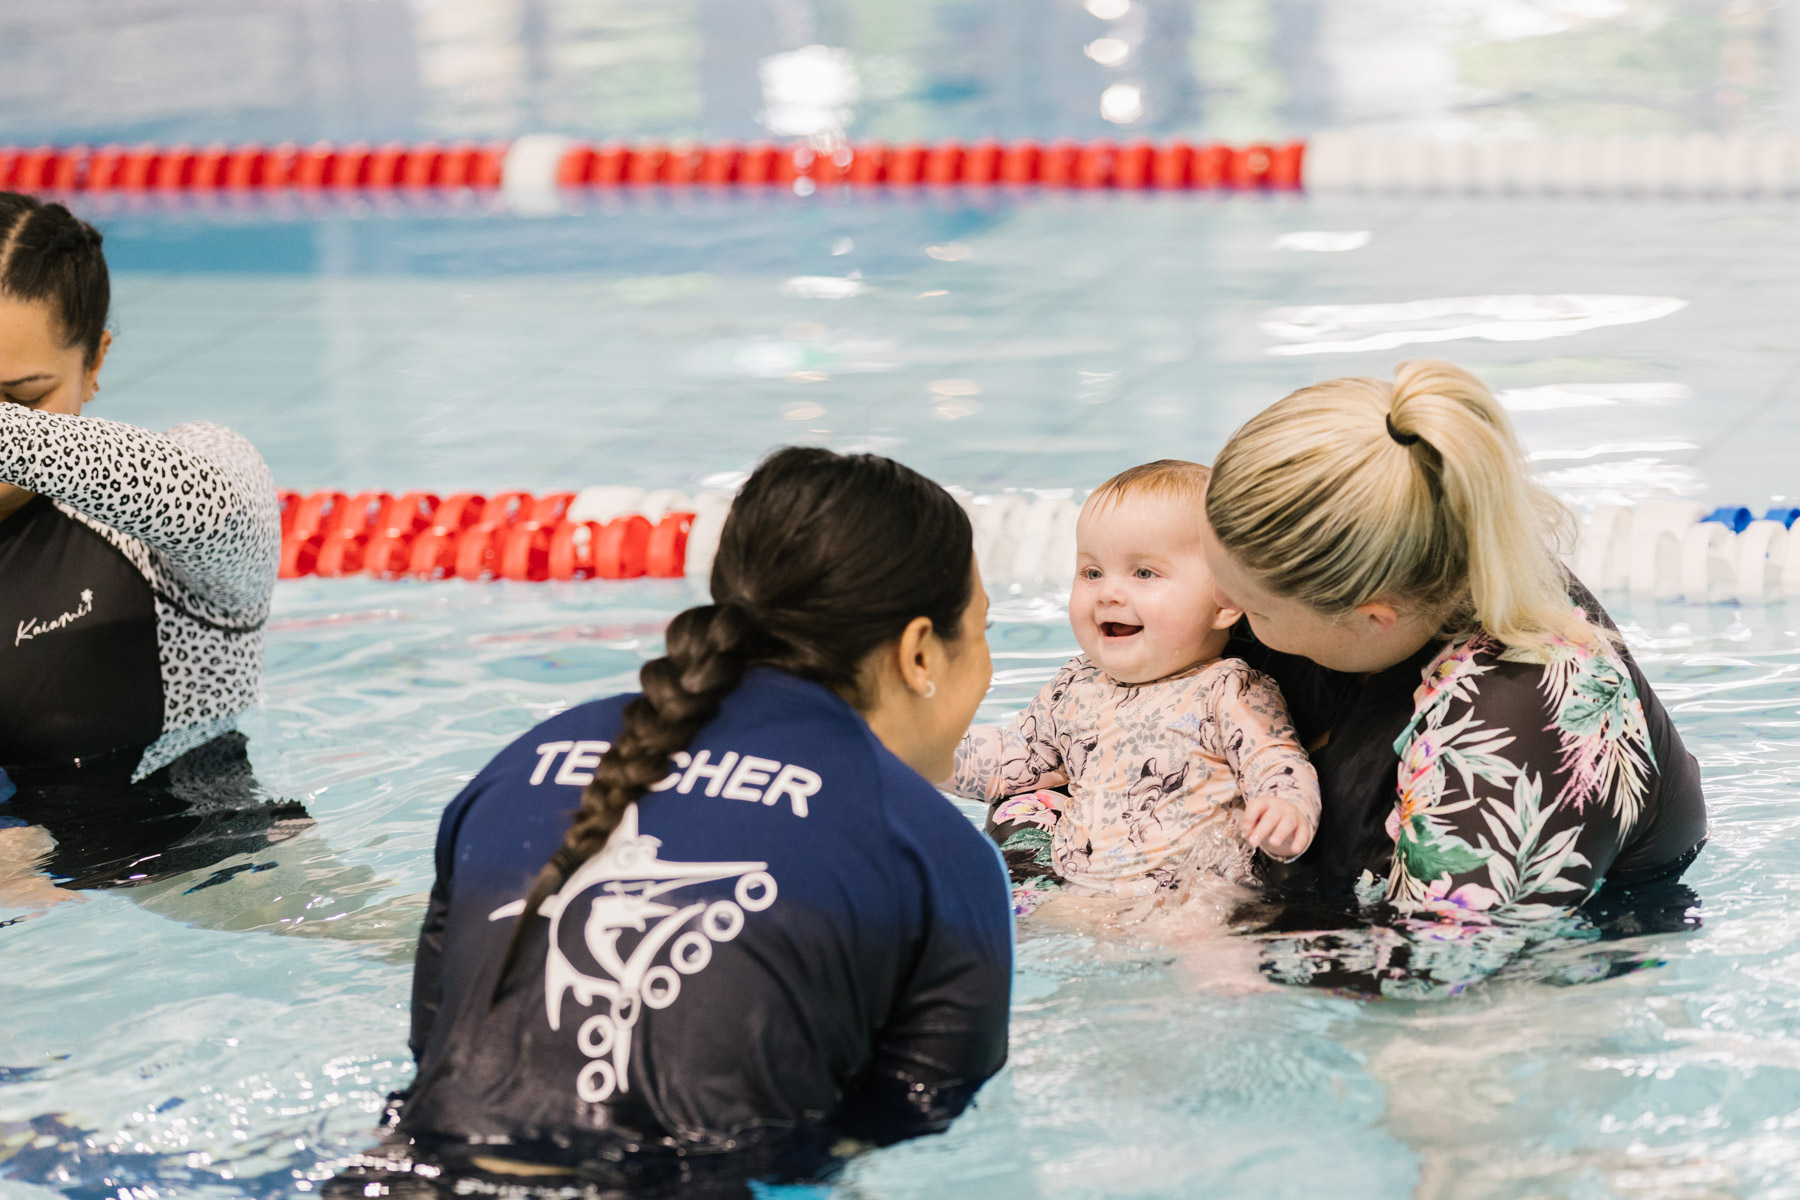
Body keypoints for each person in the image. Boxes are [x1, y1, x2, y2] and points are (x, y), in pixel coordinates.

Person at [390, 447, 1013, 1186]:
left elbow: (435, 1052)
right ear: (918, 652)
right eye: (982, 630)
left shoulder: (519, 764)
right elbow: (902, 1134)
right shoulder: (935, 849)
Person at [1200, 360, 1707, 992]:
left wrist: (1235, 952)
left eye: (1254, 607)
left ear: (1373, 617)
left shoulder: (1527, 719)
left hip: (1546, 972)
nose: (1219, 606)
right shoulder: (1409, 551)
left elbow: (1443, 966)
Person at [0, 192, 296, 893]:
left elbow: (210, 499)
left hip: (201, 867)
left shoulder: (160, 526)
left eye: (19, 399)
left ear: (95, 359)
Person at [949, 460, 1319, 907]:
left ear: (1225, 601)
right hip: (1079, 892)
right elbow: (1014, 758)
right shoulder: (1076, 684)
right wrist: (917, 748)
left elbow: (1275, 761)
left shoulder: (1228, 689)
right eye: (1091, 572)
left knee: (1212, 941)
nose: (1108, 593)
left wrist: (1286, 809)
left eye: (1143, 573)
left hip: (1191, 898)